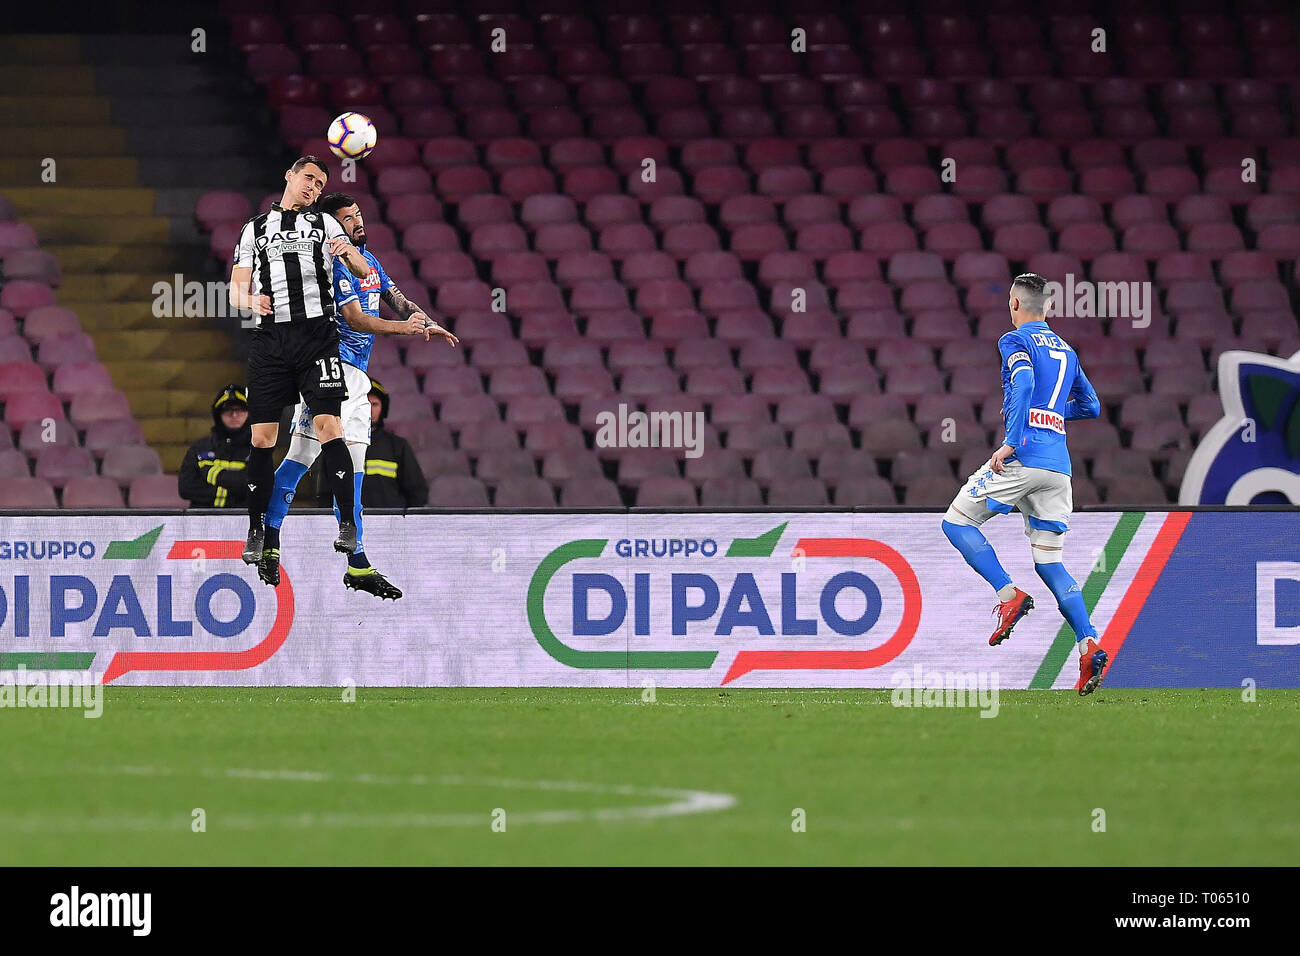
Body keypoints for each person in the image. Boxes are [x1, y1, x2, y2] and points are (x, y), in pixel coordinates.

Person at [257, 192, 456, 599]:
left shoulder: (371, 263)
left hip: (355, 376)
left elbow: (397, 299)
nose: (357, 223)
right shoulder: (333, 266)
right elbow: (356, 319)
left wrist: (426, 321)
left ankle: (331, 557)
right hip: (332, 369)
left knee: (326, 466)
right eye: (347, 219)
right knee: (320, 463)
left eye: (358, 215)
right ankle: (290, 542)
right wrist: (408, 330)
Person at [940, 272, 1108, 695]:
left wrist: (1012, 442)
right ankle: (1088, 645)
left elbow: (1025, 382)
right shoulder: (1068, 351)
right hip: (1059, 469)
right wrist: (1051, 417)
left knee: (957, 522)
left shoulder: (1013, 341)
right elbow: (1091, 406)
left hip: (1024, 456)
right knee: (1050, 563)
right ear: (1048, 306)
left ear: (1015, 304)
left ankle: (1008, 595)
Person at [228, 155, 371, 566]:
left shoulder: (326, 225)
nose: (312, 187)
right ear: (289, 176)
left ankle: (347, 526)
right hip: (271, 341)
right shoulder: (254, 229)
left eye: (319, 184)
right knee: (262, 438)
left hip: (317, 339)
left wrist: (349, 252)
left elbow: (361, 271)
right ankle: (256, 530)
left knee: (330, 426)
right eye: (308, 178)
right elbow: (235, 289)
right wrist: (250, 299)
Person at [178, 384, 253, 508]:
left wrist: (213, 474)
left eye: (240, 409)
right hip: (200, 522)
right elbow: (186, 488)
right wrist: (231, 491)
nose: (234, 415)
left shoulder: (257, 450)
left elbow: (255, 488)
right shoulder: (199, 448)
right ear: (218, 414)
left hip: (241, 522)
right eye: (228, 410)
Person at [361, 377, 428, 510]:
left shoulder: (398, 446)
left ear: (383, 408)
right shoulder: (341, 446)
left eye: (375, 404)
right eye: (365, 404)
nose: (370, 410)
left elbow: (417, 493)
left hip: (390, 525)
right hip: (350, 526)